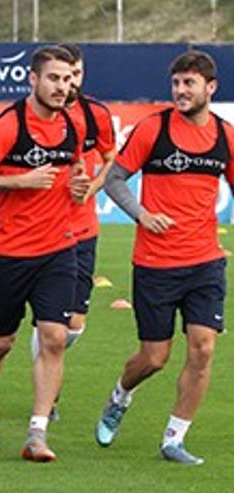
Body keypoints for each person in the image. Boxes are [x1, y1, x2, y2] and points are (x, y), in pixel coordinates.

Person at [94, 50, 230, 465]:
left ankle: (174, 439)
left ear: (210, 88)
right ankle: (121, 395)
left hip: (206, 262)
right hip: (156, 263)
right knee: (154, 358)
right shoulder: (154, 129)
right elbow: (114, 179)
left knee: (203, 349)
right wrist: (141, 214)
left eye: (189, 83)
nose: (180, 91)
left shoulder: (225, 135)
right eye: (176, 83)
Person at [0, 46, 88, 462]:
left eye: (67, 79)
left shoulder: (73, 124)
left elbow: (75, 170)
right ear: (33, 80)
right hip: (9, 251)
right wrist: (20, 182)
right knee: (0, 343)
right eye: (53, 78)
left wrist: (78, 185)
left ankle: (37, 433)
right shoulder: (9, 125)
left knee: (54, 337)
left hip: (58, 248)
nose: (62, 87)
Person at [36, 43, 117, 420]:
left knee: (75, 324)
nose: (69, 84)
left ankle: (45, 359)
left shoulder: (96, 114)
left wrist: (93, 187)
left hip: (83, 229)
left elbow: (112, 160)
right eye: (61, 76)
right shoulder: (35, 116)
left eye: (75, 76)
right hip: (44, 231)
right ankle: (47, 397)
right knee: (50, 324)